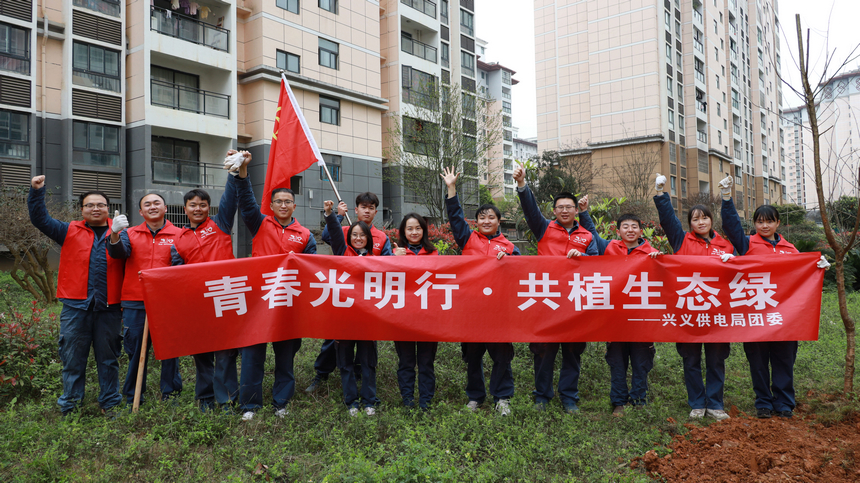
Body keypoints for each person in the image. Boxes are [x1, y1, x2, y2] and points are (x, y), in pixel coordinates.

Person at [718, 175, 830, 419]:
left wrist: (818, 266)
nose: (764, 226)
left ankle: (784, 404)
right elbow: (730, 226)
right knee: (757, 362)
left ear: (778, 223)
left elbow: (803, 275)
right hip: (754, 314)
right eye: (760, 221)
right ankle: (764, 404)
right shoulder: (747, 244)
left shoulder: (791, 249)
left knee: (784, 361)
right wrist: (727, 198)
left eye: (769, 221)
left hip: (785, 316)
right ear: (755, 224)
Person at [28, 175, 123, 416]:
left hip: (109, 308)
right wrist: (37, 192)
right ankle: (70, 405)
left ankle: (110, 404)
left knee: (109, 359)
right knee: (72, 359)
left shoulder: (120, 232)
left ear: (108, 208)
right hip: (75, 307)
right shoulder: (69, 230)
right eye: (89, 205)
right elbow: (40, 219)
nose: (95, 208)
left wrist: (116, 233)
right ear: (82, 209)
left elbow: (124, 255)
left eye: (100, 204)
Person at [234, 160, 316, 421]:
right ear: (270, 206)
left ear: (294, 205)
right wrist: (243, 173)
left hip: (288, 303)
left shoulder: (304, 235)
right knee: (252, 355)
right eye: (278, 201)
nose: (282, 205)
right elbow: (246, 201)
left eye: (287, 201)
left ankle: (281, 402)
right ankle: (249, 406)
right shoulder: (259, 224)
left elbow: (312, 269)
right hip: (257, 301)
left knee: (285, 358)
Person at [512, 165, 597, 414]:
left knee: (572, 352)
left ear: (575, 210)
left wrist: (581, 259)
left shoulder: (587, 236)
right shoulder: (544, 228)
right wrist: (522, 185)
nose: (564, 210)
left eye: (569, 207)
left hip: (575, 302)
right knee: (543, 352)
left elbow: (598, 265)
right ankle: (542, 396)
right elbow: (530, 210)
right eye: (559, 207)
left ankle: (569, 397)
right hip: (546, 300)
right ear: (554, 211)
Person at [652, 174, 733, 421]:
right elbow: (668, 220)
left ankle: (716, 404)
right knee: (691, 360)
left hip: (717, 313)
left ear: (711, 220)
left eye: (705, 217)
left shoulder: (725, 246)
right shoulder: (681, 241)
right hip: (688, 313)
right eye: (695, 219)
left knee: (717, 360)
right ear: (690, 224)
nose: (700, 222)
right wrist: (660, 193)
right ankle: (697, 403)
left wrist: (734, 262)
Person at [170, 150, 245, 412]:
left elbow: (230, 199)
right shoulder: (178, 240)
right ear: (185, 209)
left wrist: (233, 173)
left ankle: (226, 401)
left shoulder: (221, 224)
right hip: (197, 304)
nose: (198, 209)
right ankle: (204, 400)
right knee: (201, 354)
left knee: (225, 354)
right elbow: (176, 275)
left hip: (225, 298)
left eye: (203, 205)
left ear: (208, 208)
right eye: (193, 205)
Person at [441, 166, 520, 416]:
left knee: (502, 357)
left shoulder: (509, 246)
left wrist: (508, 261)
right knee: (473, 357)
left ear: (499, 221)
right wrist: (451, 188)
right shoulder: (468, 239)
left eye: (491, 218)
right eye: (482, 218)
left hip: (499, 313)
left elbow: (522, 274)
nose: (486, 221)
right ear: (477, 222)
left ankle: (502, 398)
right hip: (472, 311)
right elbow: (455, 218)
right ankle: (475, 397)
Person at [578, 202, 662, 416]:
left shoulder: (651, 251)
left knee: (641, 362)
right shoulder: (610, 248)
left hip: (641, 318)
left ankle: (639, 400)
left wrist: (659, 261)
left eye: (634, 226)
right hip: (614, 319)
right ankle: (618, 402)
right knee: (617, 362)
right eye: (625, 226)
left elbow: (664, 277)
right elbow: (592, 234)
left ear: (641, 231)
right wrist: (584, 212)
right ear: (618, 231)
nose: (630, 230)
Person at [305, 192, 392, 393]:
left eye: (371, 207)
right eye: (363, 207)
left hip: (368, 297)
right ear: (357, 209)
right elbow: (327, 236)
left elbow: (388, 265)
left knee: (367, 338)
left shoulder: (381, 237)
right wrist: (337, 215)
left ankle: (361, 374)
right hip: (342, 295)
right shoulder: (344, 230)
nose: (367, 210)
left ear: (375, 211)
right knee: (334, 336)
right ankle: (322, 374)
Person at [107, 193, 182, 407]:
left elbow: (180, 263)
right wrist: (114, 234)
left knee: (169, 350)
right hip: (135, 301)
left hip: (166, 302)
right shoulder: (129, 233)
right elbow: (118, 254)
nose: (152, 206)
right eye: (146, 204)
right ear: (141, 212)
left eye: (156, 203)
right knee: (135, 350)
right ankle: (134, 395)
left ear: (165, 208)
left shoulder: (179, 234)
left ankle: (171, 395)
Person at [324, 200, 380, 416]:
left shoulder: (377, 261)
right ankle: (351, 403)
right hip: (344, 321)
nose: (358, 238)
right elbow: (335, 233)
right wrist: (331, 214)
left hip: (367, 321)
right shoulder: (341, 252)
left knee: (368, 364)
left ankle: (369, 402)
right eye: (354, 235)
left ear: (369, 238)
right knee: (345, 364)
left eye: (362, 235)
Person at [392, 213, 439, 410]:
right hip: (403, 317)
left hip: (429, 318)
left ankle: (425, 401)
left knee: (426, 362)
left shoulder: (434, 253)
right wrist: (392, 259)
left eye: (418, 228)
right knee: (406, 361)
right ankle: (408, 400)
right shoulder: (394, 253)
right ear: (403, 231)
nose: (414, 232)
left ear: (424, 230)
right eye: (409, 228)